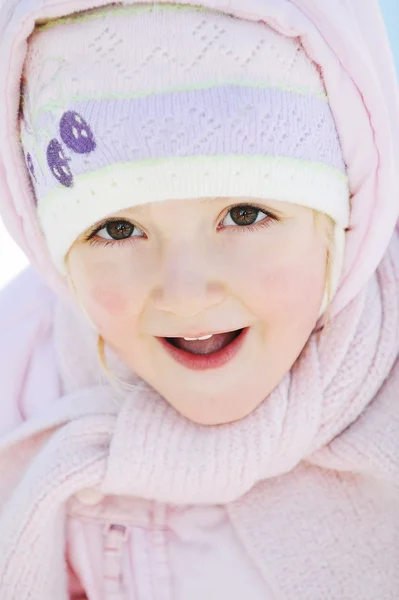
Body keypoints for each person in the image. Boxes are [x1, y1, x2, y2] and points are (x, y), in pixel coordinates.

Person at [0, 0, 398, 598]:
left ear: (346, 220)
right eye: (115, 229)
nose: (185, 295)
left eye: (244, 214)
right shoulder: (24, 383)